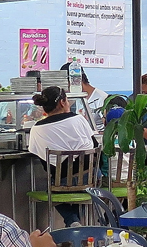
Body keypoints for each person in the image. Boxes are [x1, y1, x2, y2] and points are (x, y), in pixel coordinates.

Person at [28, 85, 98, 227]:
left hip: (62, 183)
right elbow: (95, 147)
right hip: (91, 178)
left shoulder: (36, 129)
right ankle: (76, 228)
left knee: (52, 188)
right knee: (80, 188)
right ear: (62, 102)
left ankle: (72, 222)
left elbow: (45, 164)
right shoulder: (79, 119)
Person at [60, 62, 109, 129]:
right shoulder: (79, 98)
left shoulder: (101, 98)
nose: (67, 89)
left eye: (67, 85)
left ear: (77, 80)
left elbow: (107, 129)